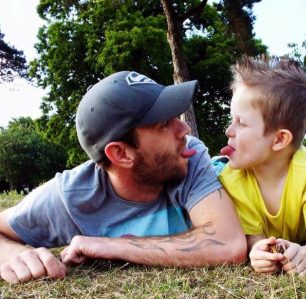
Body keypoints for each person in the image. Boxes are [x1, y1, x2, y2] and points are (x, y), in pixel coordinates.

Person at [0, 71, 247, 284]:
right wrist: (11, 254)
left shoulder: (188, 155)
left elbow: (227, 243)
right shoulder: (70, 196)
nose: (184, 129)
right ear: (121, 153)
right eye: (163, 124)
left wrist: (109, 245)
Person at [216, 57, 306, 275]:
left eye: (242, 123)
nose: (229, 130)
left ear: (279, 139)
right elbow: (253, 238)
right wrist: (257, 251)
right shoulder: (232, 177)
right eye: (232, 120)